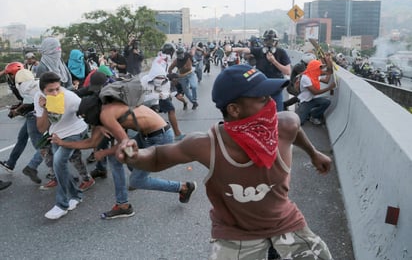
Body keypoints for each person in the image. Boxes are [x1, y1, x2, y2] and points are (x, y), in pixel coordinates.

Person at [115, 64, 333, 260]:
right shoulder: (206, 145)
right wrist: (135, 156)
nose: (271, 104)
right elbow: (157, 157)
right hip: (236, 233)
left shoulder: (285, 124)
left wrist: (314, 154)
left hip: (286, 223)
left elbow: (296, 131)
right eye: (261, 99)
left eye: (270, 96)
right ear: (234, 109)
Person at [57, 89, 197, 220]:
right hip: (147, 135)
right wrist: (62, 143)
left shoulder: (106, 116)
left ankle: (183, 187)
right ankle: (122, 202)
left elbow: (126, 145)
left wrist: (104, 152)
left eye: (86, 119)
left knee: (137, 180)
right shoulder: (106, 107)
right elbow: (92, 142)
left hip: (159, 138)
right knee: (115, 159)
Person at [34, 72, 89, 219]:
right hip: (57, 134)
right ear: (42, 91)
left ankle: (61, 205)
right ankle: (76, 195)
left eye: (57, 88)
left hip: (75, 130)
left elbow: (88, 111)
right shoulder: (39, 98)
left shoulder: (70, 97)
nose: (55, 92)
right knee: (60, 166)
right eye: (50, 90)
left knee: (58, 161)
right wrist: (46, 108)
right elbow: (41, 128)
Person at [227, 29, 292, 111]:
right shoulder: (260, 51)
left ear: (276, 42)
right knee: (258, 112)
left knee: (278, 113)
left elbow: (287, 71)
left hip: (276, 85)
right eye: (267, 40)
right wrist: (232, 49)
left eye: (271, 41)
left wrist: (274, 61)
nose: (269, 43)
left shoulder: (281, 52)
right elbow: (246, 49)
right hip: (262, 85)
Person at [140, 62, 185, 141]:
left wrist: (166, 94)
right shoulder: (144, 81)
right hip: (145, 101)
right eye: (158, 78)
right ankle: (147, 136)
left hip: (161, 98)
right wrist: (155, 96)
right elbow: (139, 98)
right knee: (151, 117)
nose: (160, 80)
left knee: (171, 109)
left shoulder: (166, 82)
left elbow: (170, 92)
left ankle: (177, 133)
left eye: (162, 78)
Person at [295, 57, 335, 126]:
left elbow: (328, 75)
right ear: (314, 68)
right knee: (299, 122)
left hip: (311, 99)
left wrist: (329, 62)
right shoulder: (306, 78)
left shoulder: (314, 74)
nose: (320, 70)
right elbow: (315, 92)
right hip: (305, 101)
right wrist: (329, 88)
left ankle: (313, 115)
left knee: (326, 102)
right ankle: (304, 111)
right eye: (318, 68)